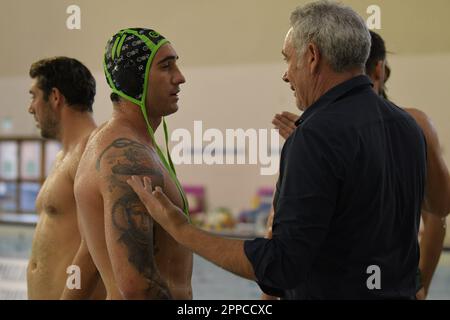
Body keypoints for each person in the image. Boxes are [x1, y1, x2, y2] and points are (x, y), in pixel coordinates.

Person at [127, 1, 427, 299]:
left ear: (312, 56)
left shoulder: (314, 136)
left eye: (288, 60)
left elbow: (284, 266)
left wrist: (181, 229)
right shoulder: (407, 126)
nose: (286, 75)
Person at [270, 30, 450, 299]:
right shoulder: (320, 131)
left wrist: (421, 282)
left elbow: (438, 211)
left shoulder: (413, 124)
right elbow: (284, 224)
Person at [74, 28, 192, 299]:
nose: (180, 77)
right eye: (166, 66)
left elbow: (90, 254)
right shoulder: (126, 157)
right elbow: (137, 287)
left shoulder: (129, 144)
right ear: (133, 80)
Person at [27, 57, 104, 299]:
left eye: (34, 96)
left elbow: (94, 248)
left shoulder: (91, 151)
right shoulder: (64, 156)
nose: (31, 108)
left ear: (55, 97)